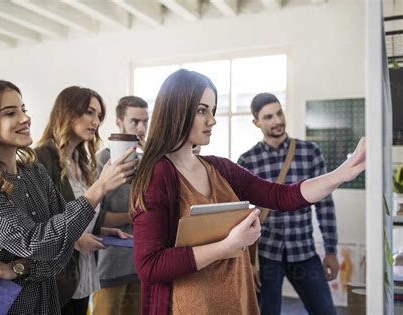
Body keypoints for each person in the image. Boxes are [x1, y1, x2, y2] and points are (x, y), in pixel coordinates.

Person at [129, 69, 365, 315]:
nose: (212, 120)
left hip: (236, 302)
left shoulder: (220, 167)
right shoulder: (158, 175)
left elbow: (281, 196)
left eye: (213, 110)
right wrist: (228, 246)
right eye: (202, 110)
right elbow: (150, 265)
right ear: (176, 110)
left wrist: (341, 174)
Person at [0, 80, 137, 314]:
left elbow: (65, 244)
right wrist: (98, 188)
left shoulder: (34, 172)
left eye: (23, 109)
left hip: (46, 305)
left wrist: (17, 268)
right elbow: (35, 242)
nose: (25, 118)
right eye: (10, 113)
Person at [237, 92, 339, 315]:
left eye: (279, 113)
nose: (277, 121)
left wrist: (331, 250)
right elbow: (243, 215)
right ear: (256, 122)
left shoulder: (310, 152)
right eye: (268, 117)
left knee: (326, 312)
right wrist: (248, 263)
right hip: (266, 256)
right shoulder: (247, 161)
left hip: (303, 250)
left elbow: (325, 206)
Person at [35, 86, 132, 315]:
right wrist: (76, 241)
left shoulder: (82, 161)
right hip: (56, 276)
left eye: (99, 115)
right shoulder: (41, 157)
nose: (96, 121)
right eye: (89, 112)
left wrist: (103, 230)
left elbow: (82, 213)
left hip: (82, 271)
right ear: (67, 112)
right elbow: (39, 223)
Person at [92, 96, 149, 315]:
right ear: (119, 122)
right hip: (109, 266)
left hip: (141, 264)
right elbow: (96, 217)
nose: (141, 128)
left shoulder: (149, 162)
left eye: (145, 121)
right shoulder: (103, 161)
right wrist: (135, 215)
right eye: (135, 121)